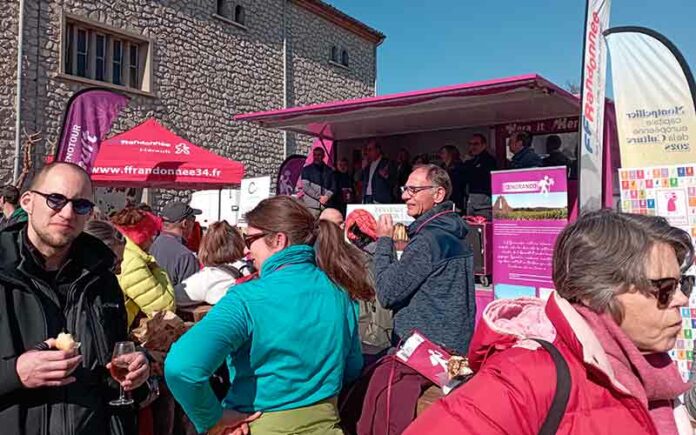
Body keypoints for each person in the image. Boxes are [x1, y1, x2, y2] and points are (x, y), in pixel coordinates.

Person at [407, 210, 694, 434]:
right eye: (665, 288)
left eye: (685, 285)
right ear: (597, 291)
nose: (682, 299)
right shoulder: (526, 375)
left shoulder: (659, 376)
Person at [165, 196, 373, 435]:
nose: (246, 249)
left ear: (278, 240)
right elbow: (351, 368)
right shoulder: (339, 291)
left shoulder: (245, 298)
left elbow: (182, 367)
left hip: (255, 425)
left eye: (250, 239)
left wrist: (213, 418)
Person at [0, 162, 154, 434]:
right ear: (27, 202)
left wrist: (138, 366)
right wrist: (14, 374)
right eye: (55, 200)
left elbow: (117, 351)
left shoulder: (101, 278)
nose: (68, 212)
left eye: (81, 205)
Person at [375, 164, 475, 354]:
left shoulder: (427, 241)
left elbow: (387, 293)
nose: (405, 196)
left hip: (424, 357)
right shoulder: (457, 231)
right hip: (452, 350)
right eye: (405, 189)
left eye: (414, 190)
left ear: (438, 194)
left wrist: (384, 241)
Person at [112, 207, 176, 328]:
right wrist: (156, 269)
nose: (153, 241)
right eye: (152, 235)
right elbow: (164, 310)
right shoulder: (132, 261)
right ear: (142, 237)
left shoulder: (124, 252)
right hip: (115, 334)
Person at [175, 221, 247, 306]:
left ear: (205, 247)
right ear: (239, 243)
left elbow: (173, 297)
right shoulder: (250, 268)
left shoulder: (207, 278)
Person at [150, 201, 201, 287]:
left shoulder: (151, 245)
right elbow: (192, 297)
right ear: (185, 223)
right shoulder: (185, 257)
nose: (194, 223)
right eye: (193, 218)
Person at [462, 134, 498, 219]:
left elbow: (480, 176)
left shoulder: (489, 160)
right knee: (471, 227)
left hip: (484, 202)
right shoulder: (471, 161)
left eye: (476, 144)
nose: (472, 147)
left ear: (484, 145)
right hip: (471, 200)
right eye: (470, 144)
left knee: (483, 227)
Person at [301, 147, 335, 217]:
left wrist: (326, 197)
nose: (316, 157)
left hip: (326, 205)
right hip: (312, 205)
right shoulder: (307, 170)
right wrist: (319, 197)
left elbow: (333, 187)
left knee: (325, 226)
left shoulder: (329, 171)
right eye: (315, 155)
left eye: (319, 155)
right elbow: (306, 187)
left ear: (323, 156)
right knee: (312, 226)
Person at [361, 140, 398, 204]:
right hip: (367, 198)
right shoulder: (367, 164)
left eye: (370, 150)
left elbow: (394, 182)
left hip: (380, 199)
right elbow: (357, 179)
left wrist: (386, 176)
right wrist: (363, 169)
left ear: (377, 150)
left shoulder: (387, 163)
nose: (367, 152)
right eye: (367, 150)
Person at [439, 145, 467, 212]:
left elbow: (459, 187)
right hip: (444, 200)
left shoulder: (459, 167)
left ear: (450, 154)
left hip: (456, 200)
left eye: (443, 153)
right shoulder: (441, 167)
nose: (441, 155)